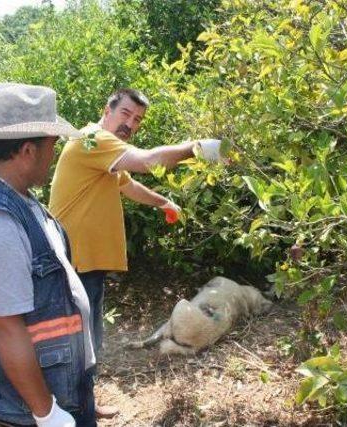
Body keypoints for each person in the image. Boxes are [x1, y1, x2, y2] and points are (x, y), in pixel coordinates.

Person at [48, 88, 226, 418]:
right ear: (108, 109)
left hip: (87, 263)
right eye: (125, 114)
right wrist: (196, 148)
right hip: (74, 262)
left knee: (86, 340)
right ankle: (72, 415)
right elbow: (147, 161)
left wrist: (163, 203)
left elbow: (126, 185)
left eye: (137, 120)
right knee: (76, 344)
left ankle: (84, 405)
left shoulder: (103, 152)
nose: (130, 124)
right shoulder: (91, 139)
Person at [0, 82, 97, 426]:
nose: (53, 155)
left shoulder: (21, 200)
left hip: (59, 388)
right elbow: (6, 328)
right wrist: (47, 413)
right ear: (29, 150)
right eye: (51, 146)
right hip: (28, 408)